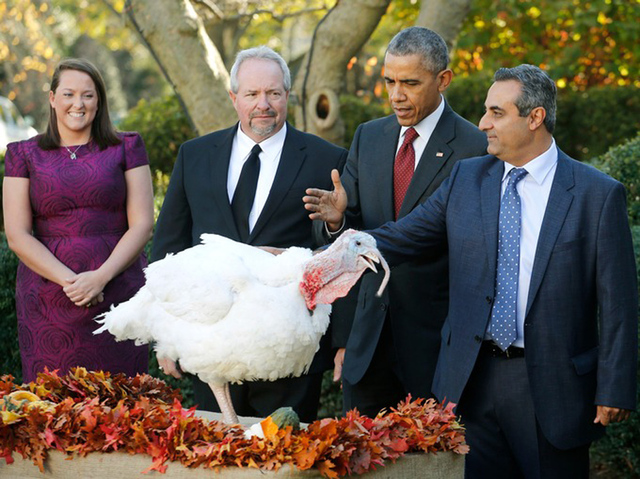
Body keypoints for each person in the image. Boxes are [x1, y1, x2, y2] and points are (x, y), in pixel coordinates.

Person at [311, 64, 638, 477]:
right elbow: (402, 236)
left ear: (535, 117)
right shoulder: (468, 178)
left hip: (552, 387)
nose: (483, 123)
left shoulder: (595, 194)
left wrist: (615, 387)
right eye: (485, 111)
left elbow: (618, 304)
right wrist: (332, 249)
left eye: (497, 113)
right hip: (471, 381)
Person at [152, 46, 347, 422]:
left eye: (273, 93)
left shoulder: (327, 159)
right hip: (211, 345)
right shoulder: (195, 156)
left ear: (287, 95)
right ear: (233, 97)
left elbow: (340, 255)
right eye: (252, 94)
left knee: (284, 466)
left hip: (288, 351)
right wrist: (166, 334)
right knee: (214, 462)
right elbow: (168, 250)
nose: (264, 105)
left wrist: (335, 224)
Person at [304, 27, 487, 417]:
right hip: (366, 345)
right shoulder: (368, 137)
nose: (395, 95)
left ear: (443, 80)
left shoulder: (476, 149)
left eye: (410, 83)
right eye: (389, 81)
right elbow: (346, 239)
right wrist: (336, 221)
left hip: (436, 347)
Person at [3, 58, 154, 383]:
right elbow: (17, 234)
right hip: (47, 298)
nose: (78, 104)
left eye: (88, 95)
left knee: (122, 403)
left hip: (118, 291)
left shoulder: (126, 146)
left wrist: (100, 278)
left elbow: (142, 223)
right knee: (52, 408)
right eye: (69, 94)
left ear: (99, 101)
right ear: (53, 98)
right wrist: (72, 282)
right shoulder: (22, 154)